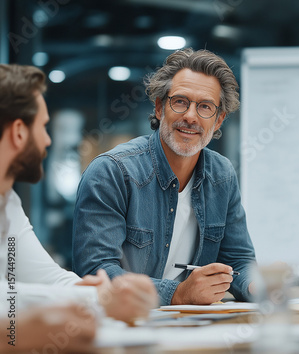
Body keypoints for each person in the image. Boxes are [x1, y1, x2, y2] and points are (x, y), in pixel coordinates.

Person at [73, 48, 256, 306]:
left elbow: (238, 261)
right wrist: (178, 293)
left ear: (218, 121)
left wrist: (257, 286)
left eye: (205, 107)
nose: (191, 116)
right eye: (180, 101)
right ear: (160, 108)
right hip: (126, 328)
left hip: (194, 328)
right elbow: (97, 272)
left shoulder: (222, 175)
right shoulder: (111, 172)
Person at [0, 64, 158, 342]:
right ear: (19, 133)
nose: (48, 140)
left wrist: (97, 291)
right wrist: (94, 299)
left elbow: (42, 276)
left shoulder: (8, 200)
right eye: (43, 126)